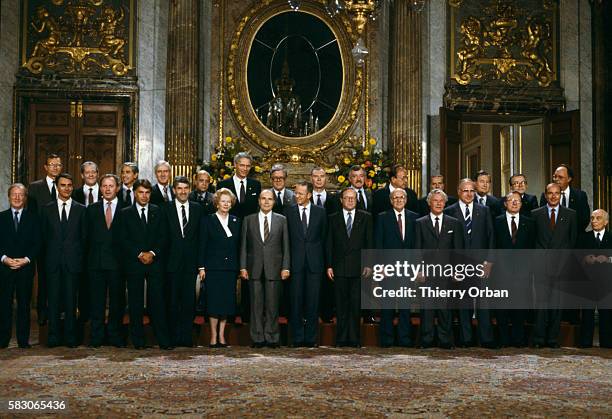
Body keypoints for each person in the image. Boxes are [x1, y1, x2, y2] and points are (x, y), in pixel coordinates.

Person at [119, 179, 172, 350]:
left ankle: (163, 340)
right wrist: (140, 254)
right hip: (134, 263)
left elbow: (164, 237)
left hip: (155, 263)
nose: (144, 196)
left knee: (157, 302)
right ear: (134, 193)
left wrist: (152, 253)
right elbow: (123, 239)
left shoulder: (158, 211)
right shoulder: (125, 213)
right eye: (141, 192)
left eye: (147, 193)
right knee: (135, 303)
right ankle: (138, 341)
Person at [444, 178, 495, 348]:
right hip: (460, 265)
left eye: (472, 190)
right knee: (463, 303)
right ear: (459, 192)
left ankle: (486, 338)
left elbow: (490, 237)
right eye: (465, 190)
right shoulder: (450, 211)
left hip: (481, 265)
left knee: (483, 303)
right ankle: (466, 339)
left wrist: (489, 261)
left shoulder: (484, 210)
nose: (469, 194)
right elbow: (447, 243)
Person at [240, 190, 290, 348]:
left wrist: (286, 267)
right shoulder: (248, 220)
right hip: (253, 268)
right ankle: (257, 338)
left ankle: (272, 337)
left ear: (274, 202)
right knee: (255, 305)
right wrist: (242, 266)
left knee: (272, 305)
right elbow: (243, 246)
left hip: (274, 268)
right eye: (263, 199)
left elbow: (286, 246)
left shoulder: (281, 220)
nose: (266, 202)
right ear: (259, 201)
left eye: (270, 199)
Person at [41, 173, 86, 347]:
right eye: (63, 185)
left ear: (72, 187)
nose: (66, 188)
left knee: (70, 302)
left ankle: (70, 338)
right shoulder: (46, 209)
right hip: (52, 263)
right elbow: (43, 238)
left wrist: (78, 260)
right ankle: (53, 337)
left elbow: (84, 239)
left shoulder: (81, 209)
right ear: (57, 187)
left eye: (69, 185)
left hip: (73, 263)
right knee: (52, 301)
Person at [414, 189, 464, 349]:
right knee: (427, 309)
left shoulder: (454, 223)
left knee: (445, 309)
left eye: (441, 201)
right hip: (427, 273)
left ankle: (445, 341)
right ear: (429, 203)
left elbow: (458, 250)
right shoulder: (420, 223)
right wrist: (418, 270)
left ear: (445, 203)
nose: (438, 203)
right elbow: (416, 249)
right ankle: (426, 341)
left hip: (447, 273)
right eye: (435, 201)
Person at [531, 182, 577, 348]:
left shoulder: (571, 214)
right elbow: (532, 241)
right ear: (545, 195)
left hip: (561, 266)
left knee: (557, 305)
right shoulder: (535, 214)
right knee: (541, 304)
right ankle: (538, 339)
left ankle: (552, 340)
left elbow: (571, 243)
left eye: (556, 193)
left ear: (561, 195)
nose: (553, 196)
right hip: (541, 265)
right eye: (550, 193)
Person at [218, 152, 262, 322]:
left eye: (247, 166)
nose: (244, 169)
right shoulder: (224, 184)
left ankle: (246, 314)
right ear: (235, 165)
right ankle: (228, 314)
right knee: (229, 274)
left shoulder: (255, 184)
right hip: (229, 234)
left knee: (248, 274)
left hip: (250, 236)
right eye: (241, 165)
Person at [326, 188, 373, 347]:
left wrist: (368, 264)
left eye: (353, 198)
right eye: (347, 198)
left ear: (357, 200)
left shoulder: (365, 218)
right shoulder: (333, 218)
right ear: (341, 200)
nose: (350, 201)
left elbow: (369, 243)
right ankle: (341, 339)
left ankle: (354, 339)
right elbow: (329, 244)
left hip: (358, 268)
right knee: (340, 305)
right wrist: (329, 265)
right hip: (338, 268)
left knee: (355, 305)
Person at [85, 174, 126, 348]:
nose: (108, 189)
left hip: (118, 264)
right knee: (97, 302)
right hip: (96, 263)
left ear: (117, 188)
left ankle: (114, 336)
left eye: (111, 186)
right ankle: (97, 337)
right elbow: (85, 238)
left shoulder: (126, 209)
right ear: (100, 188)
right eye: (104, 186)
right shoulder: (92, 209)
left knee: (117, 302)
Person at [285, 181, 327, 347]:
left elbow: (324, 238)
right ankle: (297, 338)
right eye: (296, 193)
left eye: (301, 194)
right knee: (295, 301)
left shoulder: (320, 212)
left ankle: (310, 338)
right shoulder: (288, 212)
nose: (297, 196)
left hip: (315, 263)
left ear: (309, 195)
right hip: (295, 263)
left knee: (313, 301)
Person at [374, 188, 417, 347]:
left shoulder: (414, 217)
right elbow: (378, 244)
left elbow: (416, 245)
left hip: (407, 269)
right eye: (395, 198)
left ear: (406, 199)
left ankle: (404, 339)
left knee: (405, 306)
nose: (398, 200)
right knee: (387, 306)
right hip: (388, 269)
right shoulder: (382, 218)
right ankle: (387, 339)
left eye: (401, 197)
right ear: (391, 200)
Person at [199, 188, 241, 348]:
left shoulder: (236, 221)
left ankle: (222, 336)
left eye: (228, 201)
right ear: (217, 203)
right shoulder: (208, 220)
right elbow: (202, 245)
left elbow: (238, 246)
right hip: (212, 268)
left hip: (229, 268)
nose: (225, 204)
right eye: (223, 201)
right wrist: (201, 267)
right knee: (213, 303)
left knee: (226, 303)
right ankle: (213, 336)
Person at [163, 176, 203, 347]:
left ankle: (186, 337)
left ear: (190, 189)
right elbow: (162, 238)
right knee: (172, 302)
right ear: (174, 190)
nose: (183, 191)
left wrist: (200, 264)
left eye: (186, 188)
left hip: (190, 263)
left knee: (188, 302)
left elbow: (201, 238)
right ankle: (172, 337)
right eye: (179, 188)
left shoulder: (197, 208)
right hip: (171, 263)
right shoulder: (165, 208)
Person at [0, 184, 40, 349]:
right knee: (4, 304)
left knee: (24, 305)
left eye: (20, 195)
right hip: (4, 268)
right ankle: (3, 339)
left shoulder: (33, 218)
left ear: (25, 198)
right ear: (9, 197)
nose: (17, 198)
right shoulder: (0, 218)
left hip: (25, 268)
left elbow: (38, 243)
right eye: (14, 195)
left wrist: (26, 259)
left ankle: (23, 340)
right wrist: (4, 259)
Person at [493, 191, 535, 347]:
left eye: (518, 201)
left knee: (519, 307)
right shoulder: (497, 221)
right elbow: (493, 245)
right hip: (501, 271)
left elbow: (532, 248)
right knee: (502, 308)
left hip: (522, 272)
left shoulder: (529, 223)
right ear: (505, 203)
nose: (515, 203)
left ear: (521, 204)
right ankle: (503, 339)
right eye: (511, 200)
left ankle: (518, 339)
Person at [28, 153, 63, 325]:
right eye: (52, 165)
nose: (55, 167)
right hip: (43, 242)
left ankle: (59, 312)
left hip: (63, 242)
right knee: (44, 278)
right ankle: (42, 313)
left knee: (63, 278)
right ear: (45, 167)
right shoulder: (34, 188)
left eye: (58, 165)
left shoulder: (66, 185)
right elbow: (31, 216)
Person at [577, 209, 611, 348]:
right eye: (592, 218)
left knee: (607, 313)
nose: (594, 221)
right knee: (587, 314)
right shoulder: (583, 238)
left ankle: (607, 342)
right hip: (588, 282)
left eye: (598, 218)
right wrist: (585, 259)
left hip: (607, 283)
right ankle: (585, 342)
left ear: (606, 222)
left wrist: (609, 259)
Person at [310, 166, 339, 323]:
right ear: (311, 178)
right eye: (316, 176)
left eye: (322, 176)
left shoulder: (335, 200)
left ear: (326, 178)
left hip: (330, 247)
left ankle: (327, 314)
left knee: (329, 283)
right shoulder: (305, 199)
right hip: (311, 246)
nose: (319, 179)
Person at [539, 164, 590, 232]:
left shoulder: (580, 196)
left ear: (569, 179)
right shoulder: (545, 196)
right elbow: (543, 219)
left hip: (575, 237)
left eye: (560, 177)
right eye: (555, 177)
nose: (556, 179)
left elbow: (584, 219)